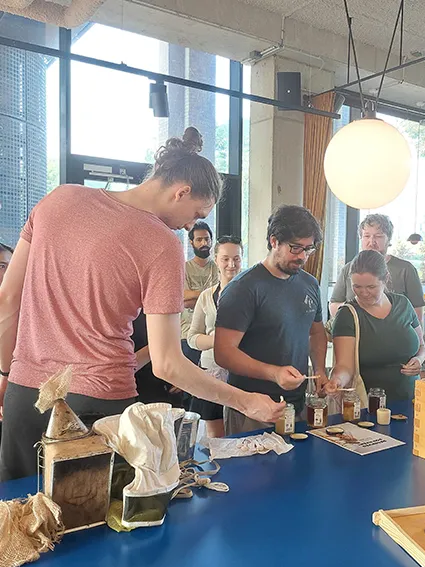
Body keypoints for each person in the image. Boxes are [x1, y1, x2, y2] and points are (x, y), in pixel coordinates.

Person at [0, 127, 284, 481]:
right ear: (181, 192)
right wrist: (245, 400)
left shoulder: (58, 199)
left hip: (26, 394)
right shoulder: (160, 243)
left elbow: (8, 299)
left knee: (19, 518)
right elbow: (168, 364)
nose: (190, 226)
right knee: (103, 525)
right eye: (196, 213)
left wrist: (6, 375)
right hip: (98, 403)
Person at [215, 205, 329, 436]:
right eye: (295, 248)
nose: (302, 257)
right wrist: (274, 373)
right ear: (274, 241)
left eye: (309, 249)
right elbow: (224, 353)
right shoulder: (244, 288)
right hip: (252, 408)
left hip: (296, 405)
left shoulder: (309, 284)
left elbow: (316, 332)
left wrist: (320, 371)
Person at [326, 250, 425, 402]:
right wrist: (337, 381)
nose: (364, 293)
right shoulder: (347, 315)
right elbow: (345, 366)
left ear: (385, 279)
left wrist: (419, 359)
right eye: (357, 287)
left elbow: (422, 346)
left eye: (371, 287)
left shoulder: (403, 304)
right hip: (368, 405)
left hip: (412, 398)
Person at [187, 235, 243, 437]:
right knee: (215, 439)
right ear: (216, 259)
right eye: (225, 258)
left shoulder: (252, 294)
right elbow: (193, 337)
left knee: (241, 435)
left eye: (236, 259)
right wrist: (219, 342)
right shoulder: (206, 296)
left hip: (243, 374)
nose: (231, 264)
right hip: (211, 371)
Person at [329, 214, 425, 323]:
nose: (372, 241)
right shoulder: (348, 269)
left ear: (388, 239)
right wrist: (357, 309)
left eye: (378, 236)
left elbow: (417, 314)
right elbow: (334, 305)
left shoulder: (406, 269)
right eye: (366, 236)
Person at [182, 221, 219, 365]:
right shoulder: (184, 268)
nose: (204, 242)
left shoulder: (218, 267)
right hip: (186, 332)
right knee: (186, 383)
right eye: (199, 239)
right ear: (191, 242)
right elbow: (183, 299)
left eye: (207, 239)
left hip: (212, 334)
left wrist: (194, 295)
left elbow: (221, 296)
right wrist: (208, 296)